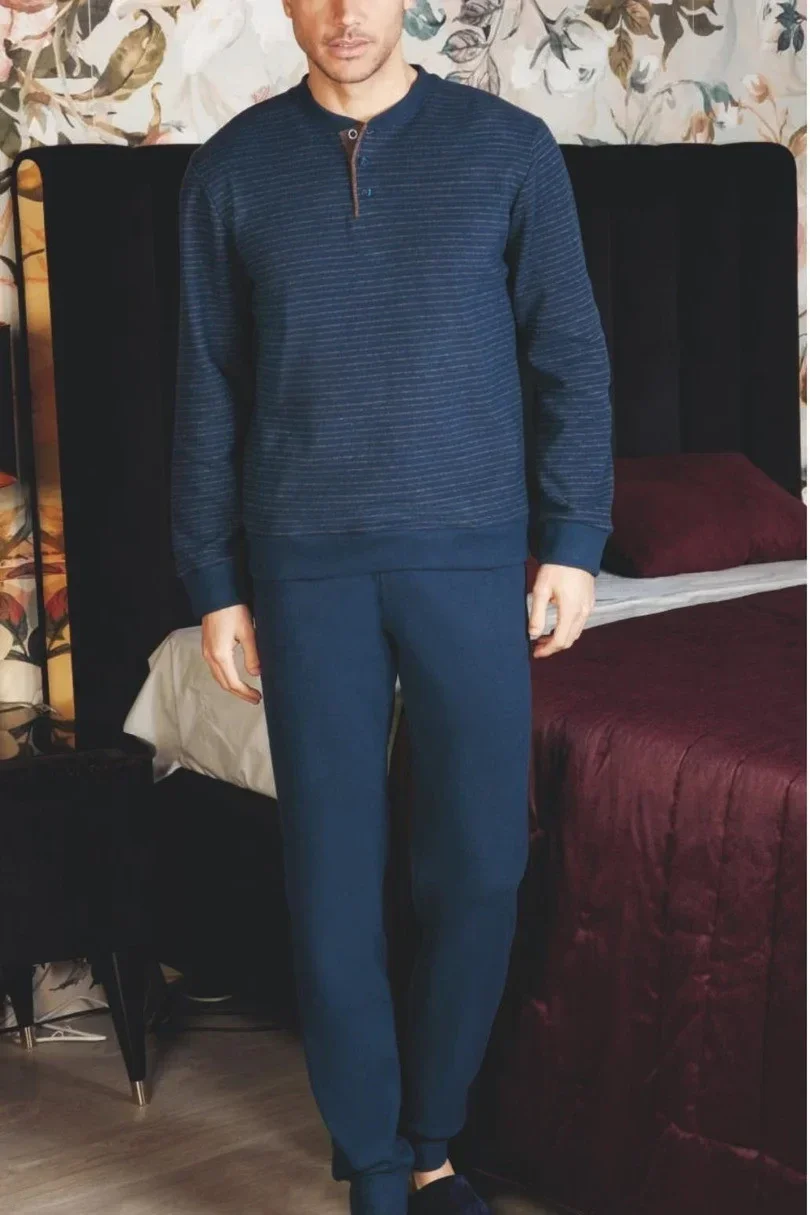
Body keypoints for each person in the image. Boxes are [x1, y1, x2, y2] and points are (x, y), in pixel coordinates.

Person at [170, 2, 613, 1211]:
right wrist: (213, 581)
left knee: (479, 868)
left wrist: (574, 539)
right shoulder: (233, 172)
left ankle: (433, 1139)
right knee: (331, 883)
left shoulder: (508, 151)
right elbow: (207, 386)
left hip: (469, 559)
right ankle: (374, 1161)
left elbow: (570, 355)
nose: (344, 14)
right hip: (303, 567)